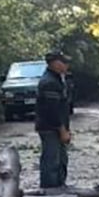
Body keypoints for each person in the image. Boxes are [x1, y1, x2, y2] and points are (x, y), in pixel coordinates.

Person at [35, 51, 73, 189]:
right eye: (64, 62)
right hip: (51, 128)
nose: (67, 65)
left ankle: (60, 188)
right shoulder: (49, 82)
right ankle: (49, 192)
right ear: (55, 63)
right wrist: (63, 130)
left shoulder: (57, 79)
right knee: (51, 162)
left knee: (61, 160)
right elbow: (53, 111)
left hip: (56, 128)